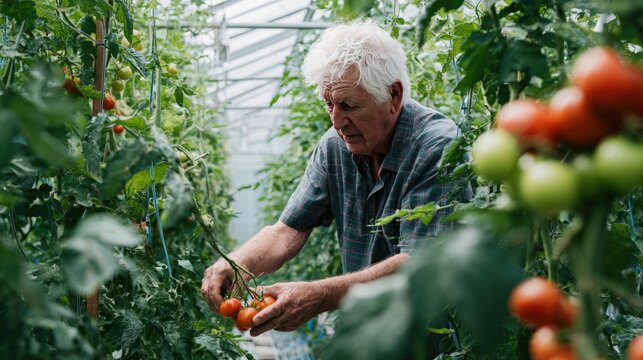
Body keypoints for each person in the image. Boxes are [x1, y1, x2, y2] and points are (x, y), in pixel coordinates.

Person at [201, 20, 465, 338]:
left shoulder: (436, 146)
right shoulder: (335, 147)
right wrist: (239, 264)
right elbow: (288, 230)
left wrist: (319, 296)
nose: (337, 121)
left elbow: (420, 264)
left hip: (432, 336)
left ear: (393, 95)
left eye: (348, 105)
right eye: (329, 104)